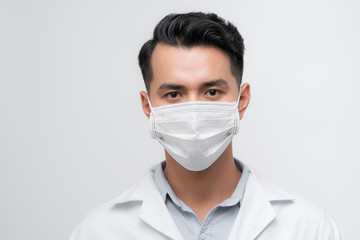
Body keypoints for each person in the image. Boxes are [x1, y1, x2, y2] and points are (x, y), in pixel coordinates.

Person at [69, 12, 343, 240]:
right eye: (173, 94)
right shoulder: (99, 231)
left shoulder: (308, 228)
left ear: (241, 100)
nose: (193, 112)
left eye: (211, 92)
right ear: (147, 106)